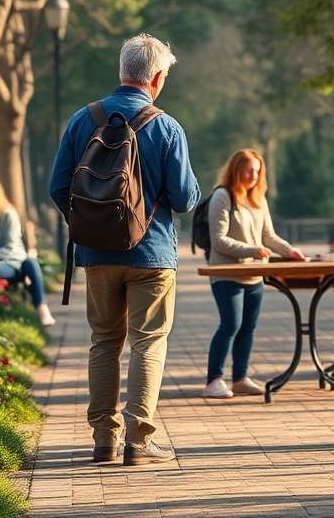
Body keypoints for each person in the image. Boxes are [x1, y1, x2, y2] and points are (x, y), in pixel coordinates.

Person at [50, 33, 200, 467]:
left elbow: (59, 186)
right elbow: (186, 199)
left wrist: (92, 224)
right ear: (155, 76)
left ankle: (102, 439)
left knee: (104, 342)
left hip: (96, 256)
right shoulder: (166, 126)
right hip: (152, 255)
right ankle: (138, 440)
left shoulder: (84, 119)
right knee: (148, 343)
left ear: (121, 70)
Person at [203, 149, 306, 399]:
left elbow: (268, 236)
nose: (254, 175)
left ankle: (239, 378)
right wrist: (252, 250)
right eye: (249, 170)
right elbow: (218, 241)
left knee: (248, 327)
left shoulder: (257, 199)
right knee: (230, 324)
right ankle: (213, 380)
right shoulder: (222, 196)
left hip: (254, 275)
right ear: (236, 170)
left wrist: (290, 251)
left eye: (257, 171)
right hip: (227, 274)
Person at [0, 176, 56, 327]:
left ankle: (42, 308)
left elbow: (11, 248)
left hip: (12, 262)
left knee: (28, 263)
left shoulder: (7, 214)